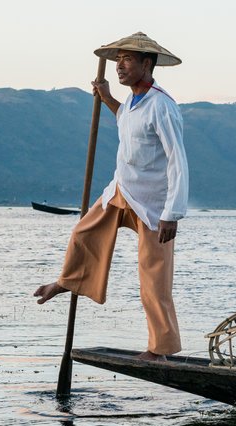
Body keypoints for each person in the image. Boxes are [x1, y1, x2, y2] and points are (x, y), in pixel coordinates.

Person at [34, 32, 188, 362]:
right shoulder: (133, 103)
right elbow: (127, 121)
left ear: (147, 65)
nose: (119, 66)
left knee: (154, 278)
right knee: (83, 233)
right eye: (117, 60)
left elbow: (178, 161)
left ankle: (159, 351)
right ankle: (68, 281)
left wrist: (172, 213)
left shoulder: (162, 105)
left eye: (127, 59)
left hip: (154, 204)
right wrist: (106, 98)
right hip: (123, 190)